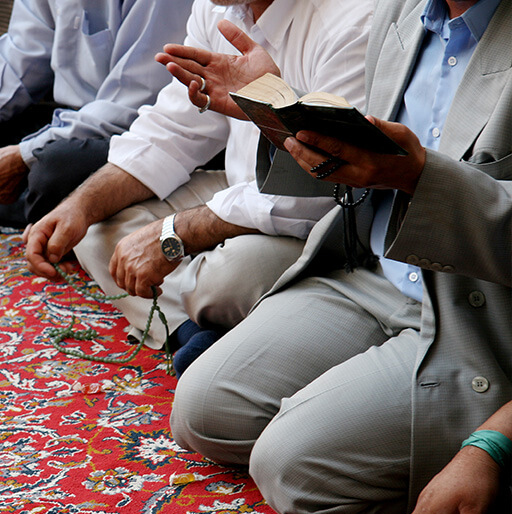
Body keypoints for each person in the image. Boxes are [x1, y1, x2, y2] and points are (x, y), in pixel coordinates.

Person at [166, 0, 512, 514]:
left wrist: (416, 178)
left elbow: (408, 169)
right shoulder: (402, 12)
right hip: (373, 271)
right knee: (203, 411)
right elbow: (366, 164)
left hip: (476, 311)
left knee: (292, 466)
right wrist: (280, 117)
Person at [24, 0, 373, 376]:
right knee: (94, 227)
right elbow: (174, 130)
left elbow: (317, 192)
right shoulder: (216, 9)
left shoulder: (353, 21)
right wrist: (79, 206)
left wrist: (175, 235)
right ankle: (187, 330)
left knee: (228, 279)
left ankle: (204, 311)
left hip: (330, 219)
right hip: (240, 188)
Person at [0, 0, 193, 227]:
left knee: (51, 169)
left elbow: (126, 107)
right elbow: (18, 63)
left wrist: (24, 155)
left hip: (135, 130)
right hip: (70, 119)